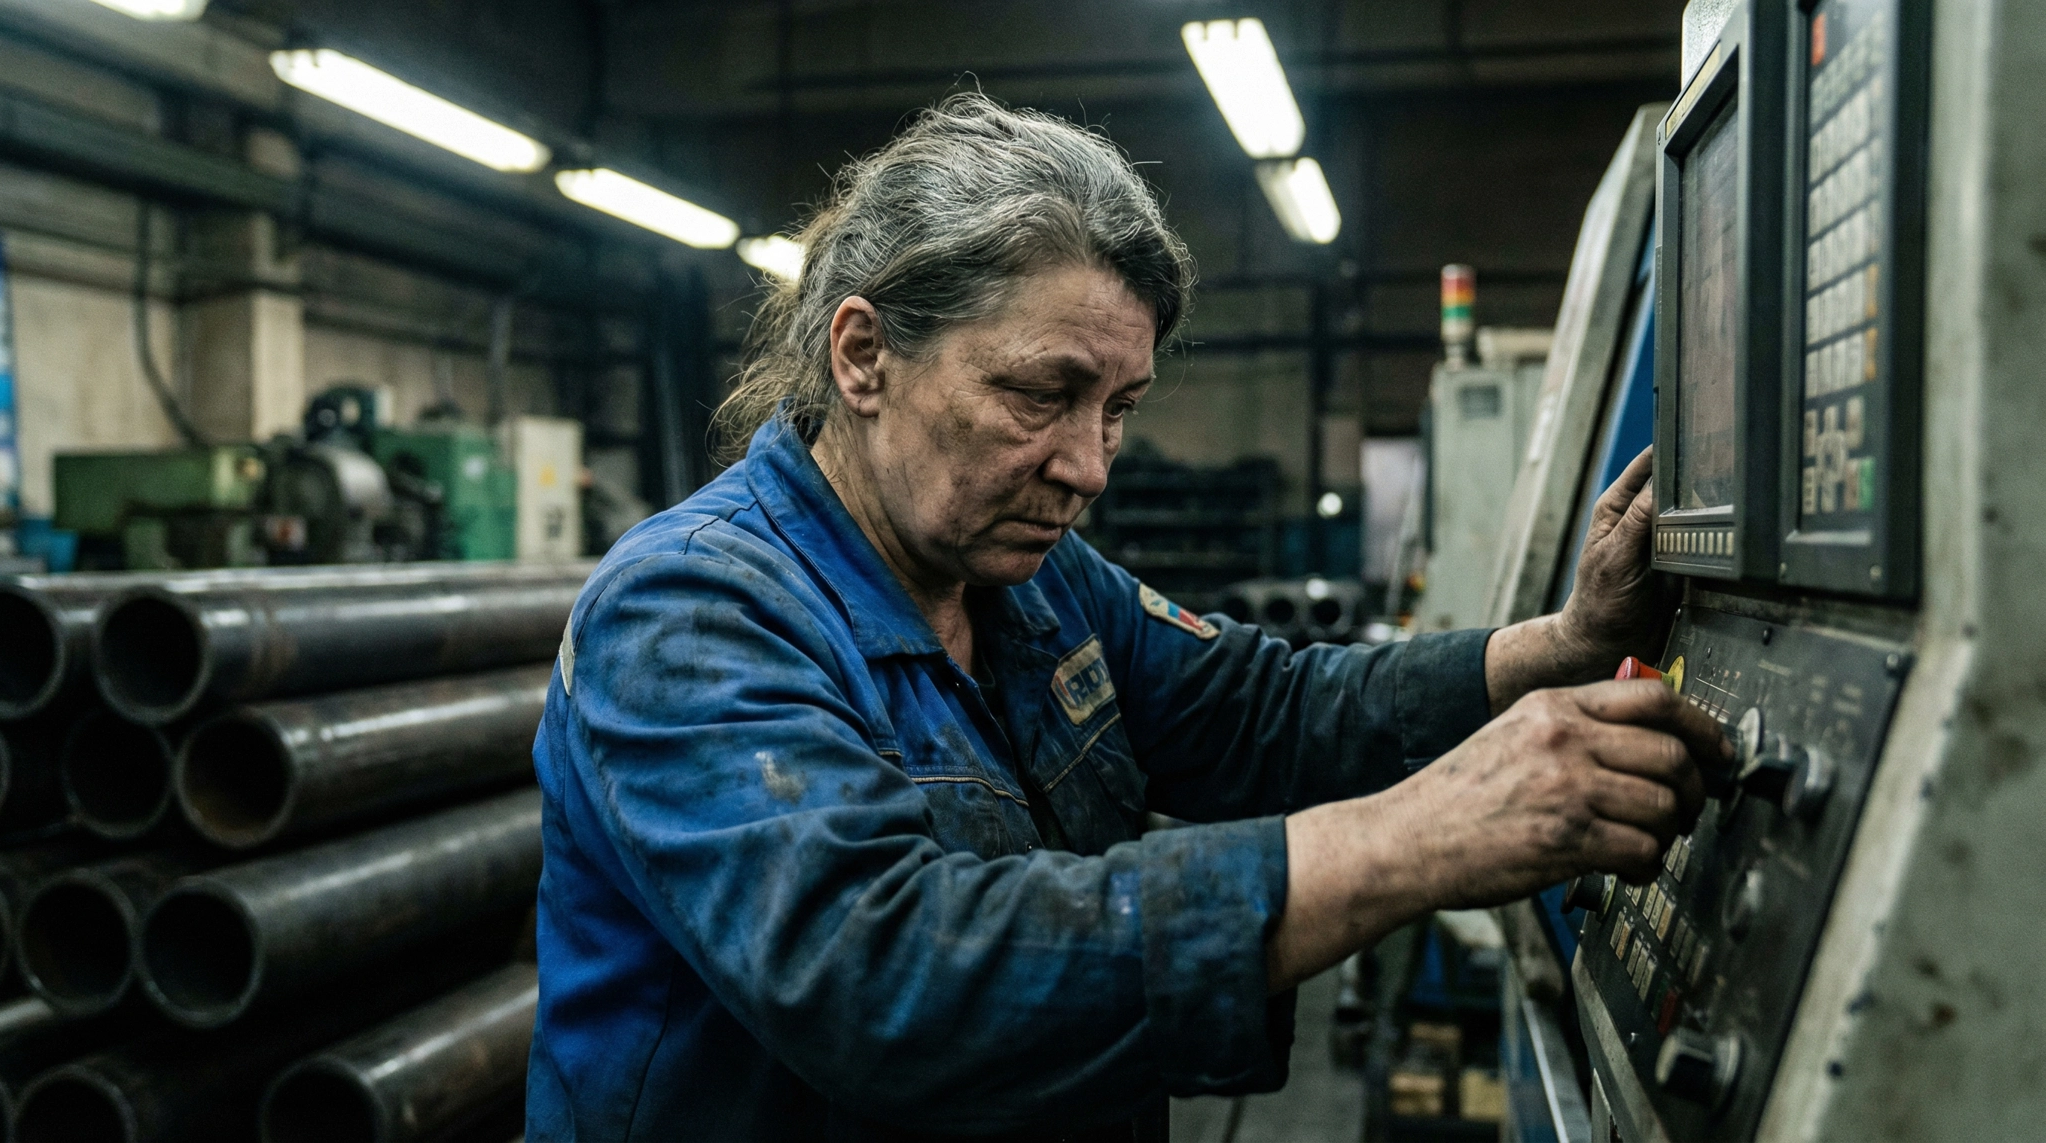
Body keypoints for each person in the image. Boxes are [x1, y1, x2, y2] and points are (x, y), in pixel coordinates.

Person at [526, 94, 1725, 1142]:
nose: (1089, 465)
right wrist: (1413, 837)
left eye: (1118, 408)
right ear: (862, 355)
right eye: (1043, 393)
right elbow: (883, 974)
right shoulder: (689, 612)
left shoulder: (1030, 582)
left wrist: (1558, 646)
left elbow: (1260, 711)